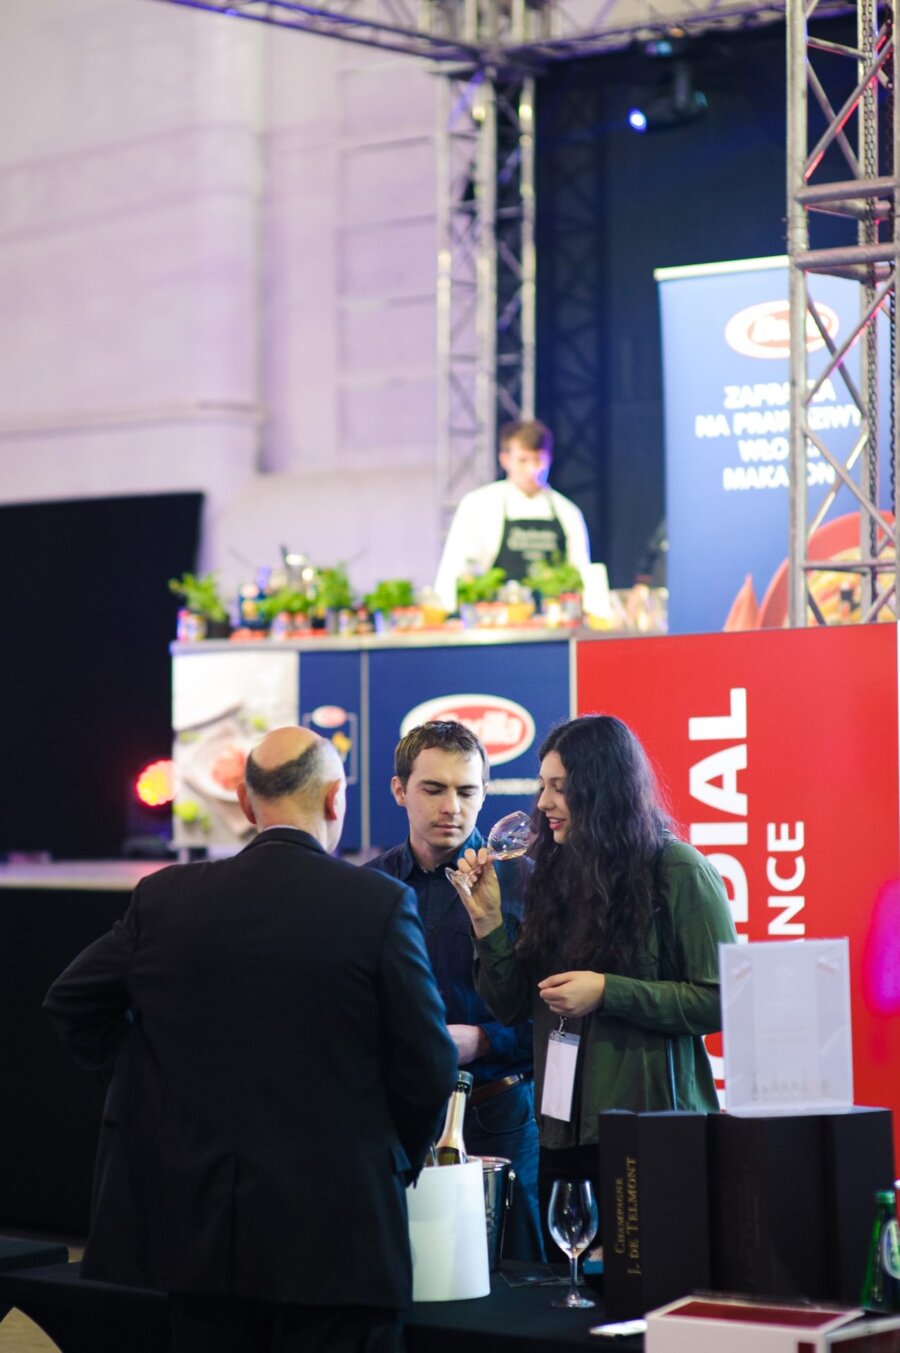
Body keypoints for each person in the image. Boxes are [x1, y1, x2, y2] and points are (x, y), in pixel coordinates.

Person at [44, 725, 457, 1353]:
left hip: (203, 1242)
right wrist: (388, 1158)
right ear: (334, 800)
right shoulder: (377, 904)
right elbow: (428, 1064)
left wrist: (152, 1094)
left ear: (245, 804)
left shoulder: (166, 899)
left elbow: (71, 1001)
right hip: (338, 1243)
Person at [449, 714, 737, 1254]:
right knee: (571, 1292)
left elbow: (723, 1001)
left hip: (650, 1127)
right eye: (542, 786)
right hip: (561, 1126)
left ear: (602, 788)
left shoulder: (678, 870)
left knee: (646, 1289)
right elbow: (513, 1006)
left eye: (560, 787)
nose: (544, 803)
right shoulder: (553, 876)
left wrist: (609, 990)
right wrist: (487, 925)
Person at [367, 721, 545, 1261]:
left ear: (485, 793)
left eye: (467, 791)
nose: (452, 806)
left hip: (501, 1112)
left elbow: (563, 1012)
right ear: (399, 791)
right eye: (433, 788)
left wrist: (484, 1039)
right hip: (393, 1116)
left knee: (518, 1282)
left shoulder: (527, 885)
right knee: (407, 1271)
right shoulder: (368, 889)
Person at [432, 418, 592, 613]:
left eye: (539, 459)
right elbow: (454, 570)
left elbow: (581, 574)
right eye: (523, 460)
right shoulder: (479, 505)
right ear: (505, 460)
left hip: (552, 623)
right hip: (493, 622)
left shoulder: (567, 511)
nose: (533, 470)